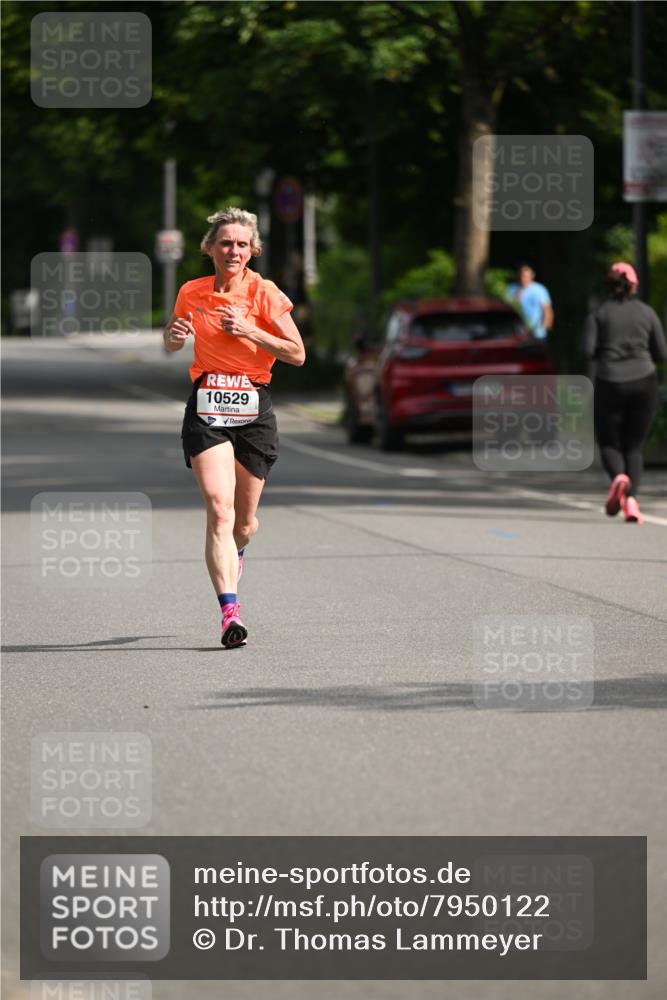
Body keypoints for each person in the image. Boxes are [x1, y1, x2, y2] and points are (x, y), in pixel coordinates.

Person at [164, 207, 305, 646]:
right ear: (210, 248)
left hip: (253, 408)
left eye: (242, 244)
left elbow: (297, 353)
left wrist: (250, 330)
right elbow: (172, 343)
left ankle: (237, 549)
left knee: (243, 522)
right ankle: (230, 613)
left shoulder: (265, 293)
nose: (234, 251)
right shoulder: (191, 292)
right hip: (207, 406)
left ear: (253, 251)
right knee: (219, 511)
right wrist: (173, 337)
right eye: (225, 243)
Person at [583, 262, 666, 524]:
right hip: (645, 382)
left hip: (610, 381)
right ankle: (631, 501)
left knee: (609, 443)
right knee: (634, 446)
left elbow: (587, 350)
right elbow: (662, 354)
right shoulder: (647, 313)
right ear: (634, 285)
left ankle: (619, 477)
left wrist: (606, 352)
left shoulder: (598, 314)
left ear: (608, 285)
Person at [506, 263, 554, 340]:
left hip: (536, 333)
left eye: (526, 276)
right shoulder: (510, 288)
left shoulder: (540, 290)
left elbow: (547, 311)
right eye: (521, 276)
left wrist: (544, 327)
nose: (523, 278)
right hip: (515, 333)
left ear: (532, 276)